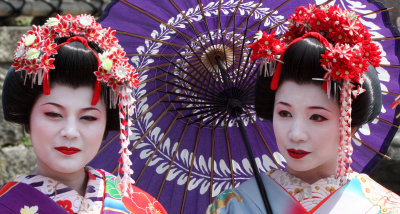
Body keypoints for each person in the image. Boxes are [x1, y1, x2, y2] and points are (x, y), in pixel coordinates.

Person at [207, 4, 400, 214]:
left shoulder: (381, 208)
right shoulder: (236, 206)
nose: (296, 134)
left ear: (349, 124)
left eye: (317, 116)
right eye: (285, 113)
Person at [0, 14, 167, 213]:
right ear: (28, 119)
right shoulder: (6, 206)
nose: (70, 132)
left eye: (88, 117)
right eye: (53, 114)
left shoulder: (141, 207)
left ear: (107, 123)